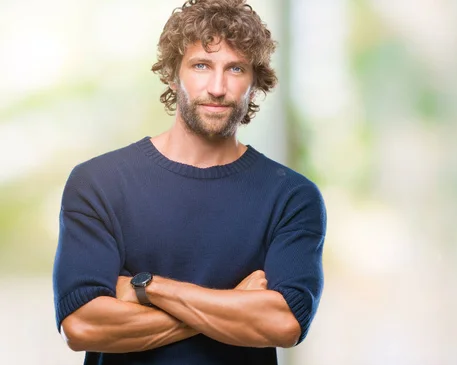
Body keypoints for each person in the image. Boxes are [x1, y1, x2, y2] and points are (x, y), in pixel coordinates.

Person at [52, 0, 326, 364]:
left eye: (235, 69)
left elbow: (283, 323)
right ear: (172, 73)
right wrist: (234, 306)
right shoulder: (99, 183)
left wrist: (147, 287)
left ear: (254, 83)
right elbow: (83, 326)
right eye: (201, 65)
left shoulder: (292, 196)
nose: (217, 87)